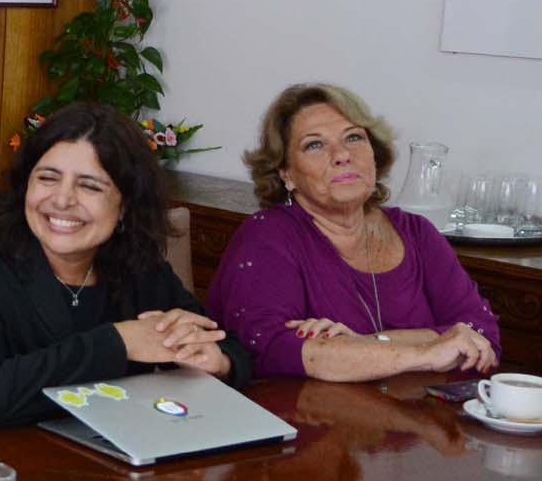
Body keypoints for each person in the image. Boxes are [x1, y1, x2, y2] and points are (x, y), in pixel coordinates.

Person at [0, 103, 251, 429]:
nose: (62, 200)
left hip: (122, 445)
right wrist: (118, 342)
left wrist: (219, 361)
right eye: (47, 178)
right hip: (3, 454)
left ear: (125, 205)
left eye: (89, 186)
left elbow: (224, 342)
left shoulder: (141, 267)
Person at [206, 83, 499, 382]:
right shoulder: (267, 236)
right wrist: (426, 352)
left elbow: (481, 334)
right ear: (286, 174)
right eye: (314, 145)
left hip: (419, 407)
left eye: (354, 137)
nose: (342, 154)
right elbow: (264, 349)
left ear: (375, 154)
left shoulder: (417, 232)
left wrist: (364, 344)